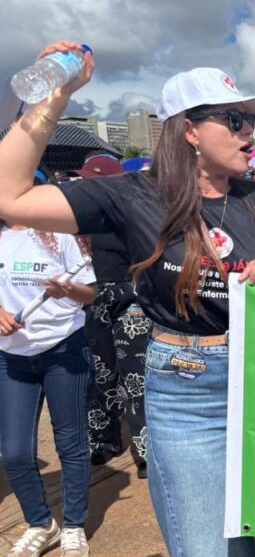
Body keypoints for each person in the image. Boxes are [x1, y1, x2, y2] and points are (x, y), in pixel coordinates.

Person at [0, 42, 255, 557]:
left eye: (253, 119)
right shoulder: (133, 195)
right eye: (234, 120)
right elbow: (10, 196)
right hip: (188, 394)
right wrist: (51, 100)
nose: (251, 132)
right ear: (189, 130)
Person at [0, 205, 96, 557]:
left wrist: (68, 289)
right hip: (11, 357)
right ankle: (41, 523)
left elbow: (89, 294)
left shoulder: (58, 234)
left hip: (64, 351)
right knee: (14, 453)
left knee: (71, 443)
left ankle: (73, 525)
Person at [69, 154, 153, 476]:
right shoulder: (74, 220)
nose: (83, 185)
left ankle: (145, 449)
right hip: (92, 300)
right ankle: (104, 440)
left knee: (135, 376)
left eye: (90, 180)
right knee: (101, 374)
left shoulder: (132, 216)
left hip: (130, 299)